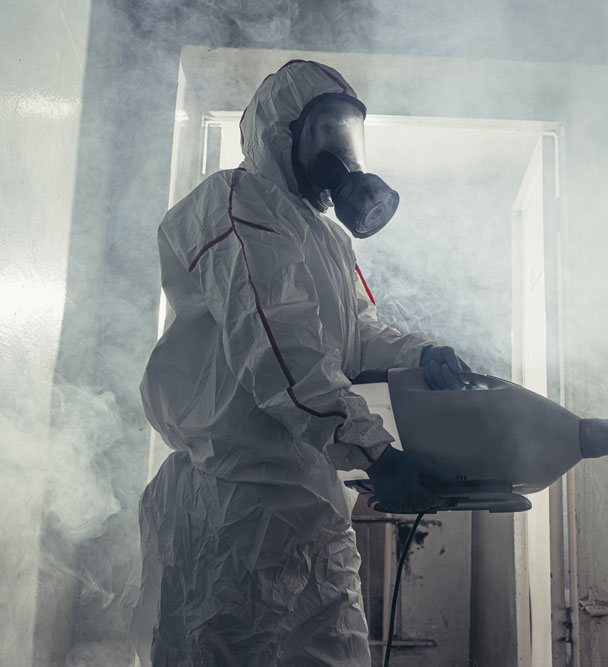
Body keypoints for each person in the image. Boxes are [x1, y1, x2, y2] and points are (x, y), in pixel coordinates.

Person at [131, 60, 470, 666]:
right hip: (237, 506)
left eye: (350, 132)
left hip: (311, 497)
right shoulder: (234, 202)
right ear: (279, 134)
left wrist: (421, 353)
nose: (340, 150)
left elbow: (355, 334)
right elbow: (278, 345)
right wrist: (374, 452)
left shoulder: (329, 239)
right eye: (324, 131)